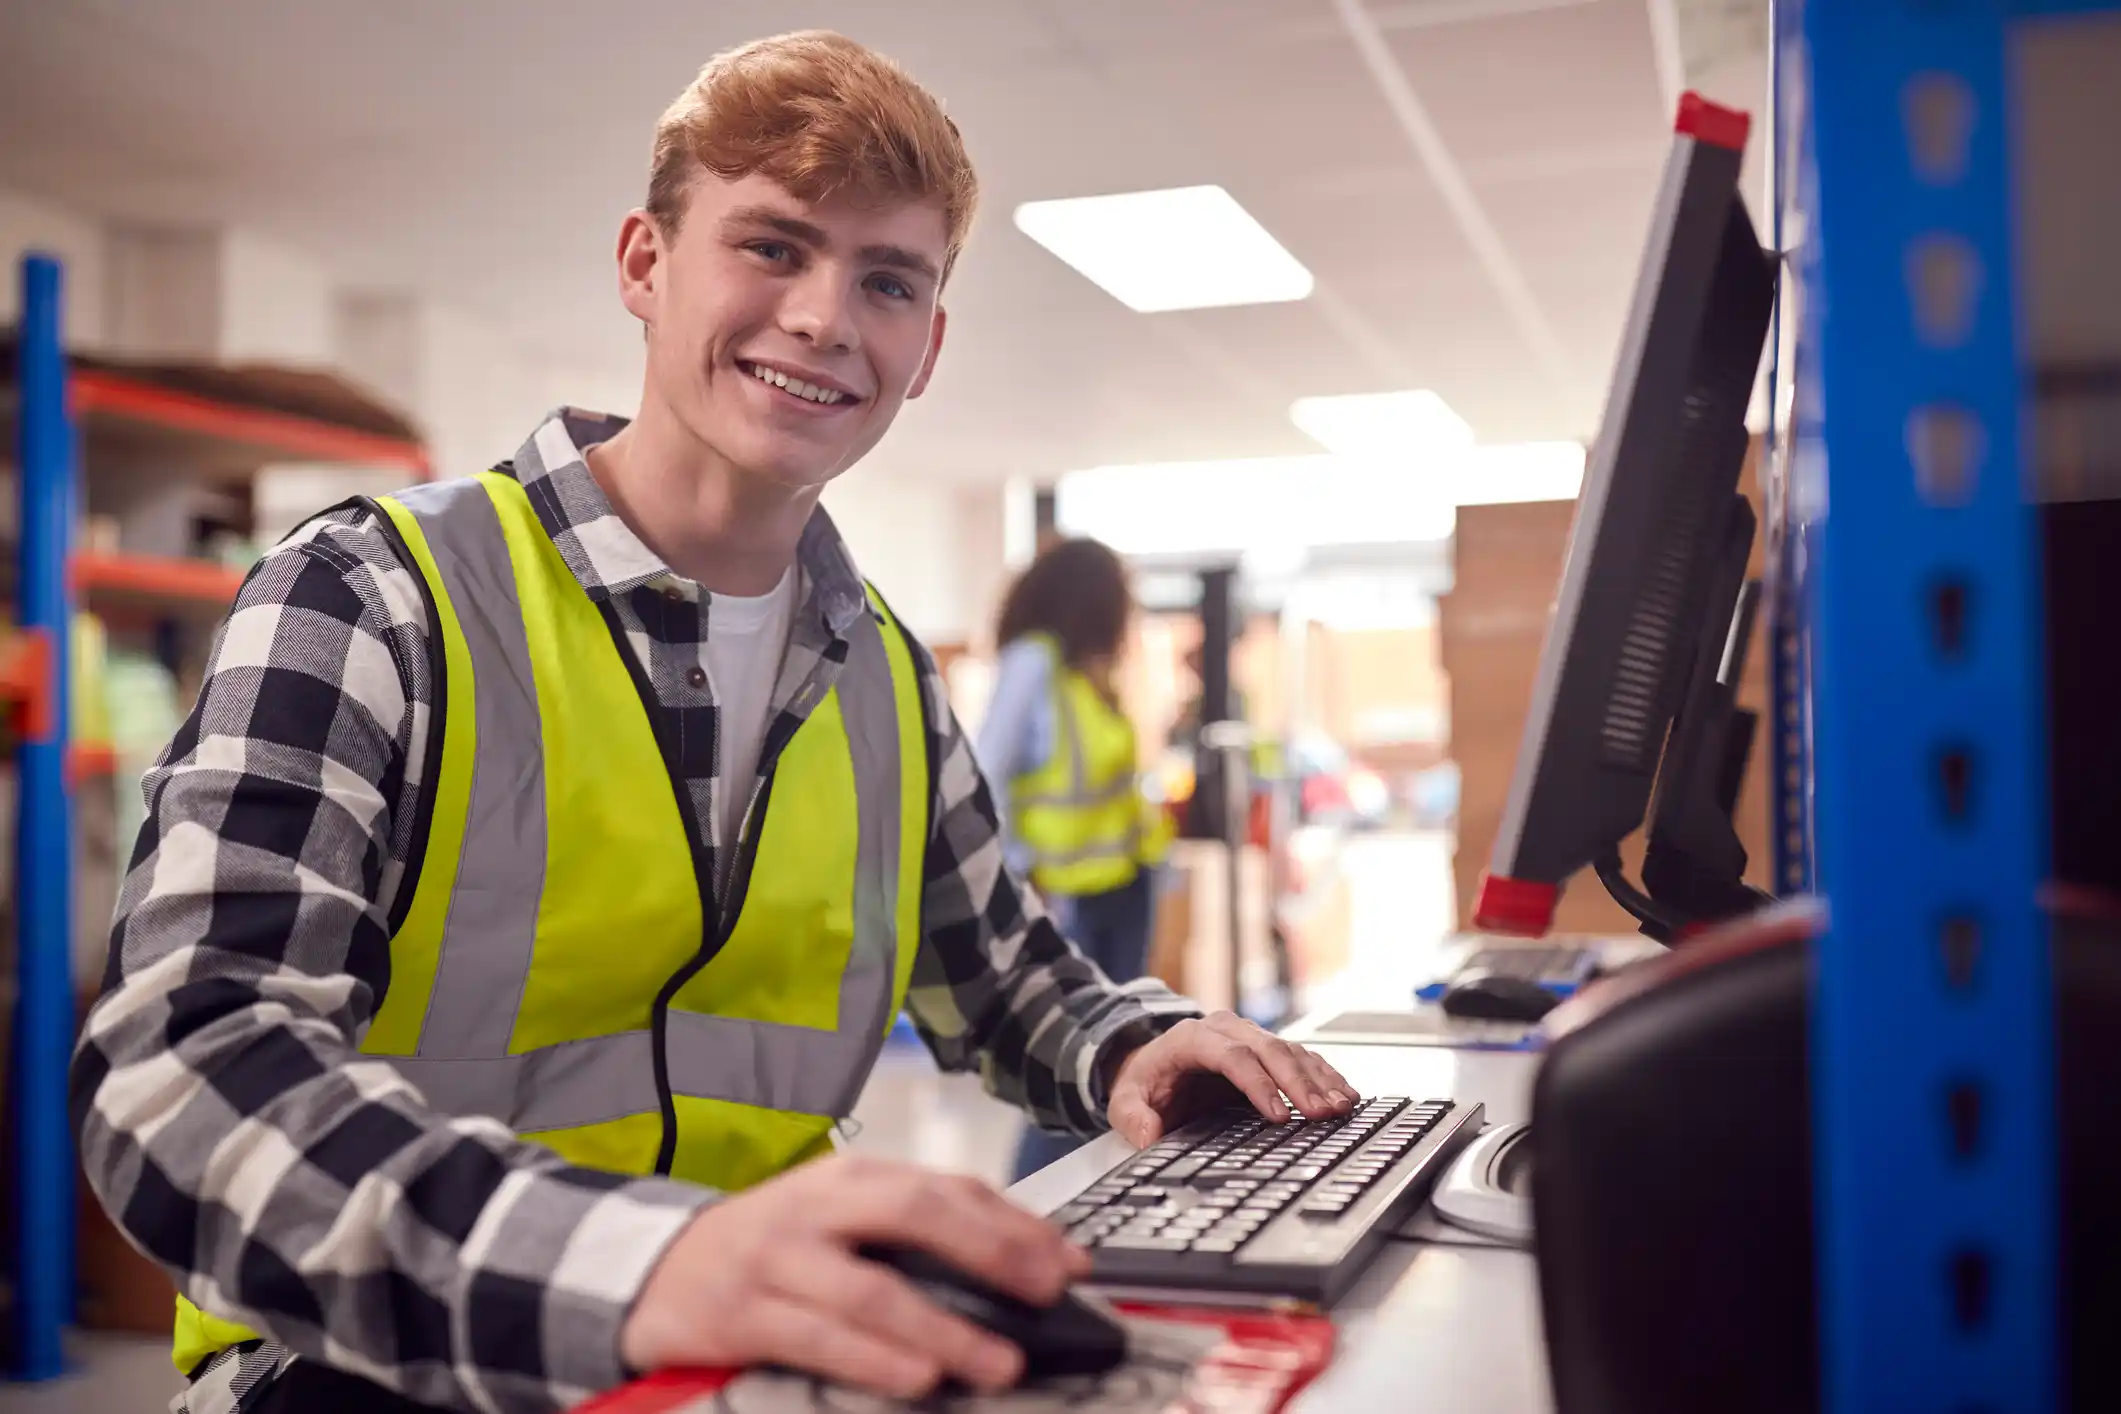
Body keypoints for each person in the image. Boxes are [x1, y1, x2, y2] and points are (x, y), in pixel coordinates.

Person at [70, 30, 1359, 1414]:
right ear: (643, 262)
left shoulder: (882, 673)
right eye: (772, 246)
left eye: (888, 280)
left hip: (753, 1353)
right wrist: (646, 1263)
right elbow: (178, 1071)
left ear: (926, 347)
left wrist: (1132, 1041)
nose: (823, 317)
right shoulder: (376, 596)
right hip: (377, 1361)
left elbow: (1008, 981)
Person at [975, 537, 1175, 1181]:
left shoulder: (1090, 676)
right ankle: (1032, 1196)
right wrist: (1019, 872)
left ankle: (1088, 1193)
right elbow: (984, 777)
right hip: (1067, 896)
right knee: (1077, 1055)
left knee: (1120, 1057)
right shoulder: (1034, 663)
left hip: (1122, 883)